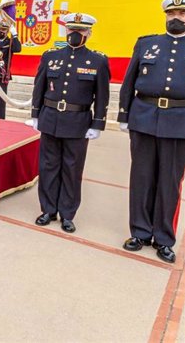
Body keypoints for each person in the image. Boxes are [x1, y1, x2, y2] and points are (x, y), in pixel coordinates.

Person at [118, 0, 185, 264]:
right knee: (142, 178)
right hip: (144, 117)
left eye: (181, 14)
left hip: (180, 121)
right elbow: (129, 80)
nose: (176, 18)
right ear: (165, 16)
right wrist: (124, 114)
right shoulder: (147, 44)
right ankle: (140, 232)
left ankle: (164, 238)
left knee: (169, 182)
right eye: (171, 14)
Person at [30, 12, 110, 233]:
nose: (75, 34)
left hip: (78, 122)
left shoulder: (98, 60)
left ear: (89, 33)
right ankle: (48, 209)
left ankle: (67, 214)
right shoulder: (50, 56)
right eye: (71, 29)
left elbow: (102, 95)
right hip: (50, 119)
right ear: (66, 31)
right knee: (48, 166)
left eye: (80, 30)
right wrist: (35, 114)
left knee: (72, 169)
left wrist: (97, 124)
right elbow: (40, 86)